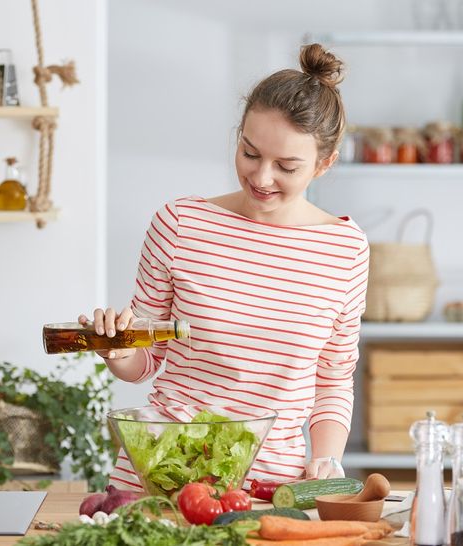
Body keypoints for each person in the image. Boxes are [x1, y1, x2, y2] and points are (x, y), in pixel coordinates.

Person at [81, 43, 369, 491]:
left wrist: (328, 458)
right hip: (162, 472)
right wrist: (117, 350)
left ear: (324, 164)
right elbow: (146, 360)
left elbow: (333, 377)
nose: (262, 177)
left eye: (286, 166)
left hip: (269, 491)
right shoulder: (180, 224)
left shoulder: (345, 249)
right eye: (250, 153)